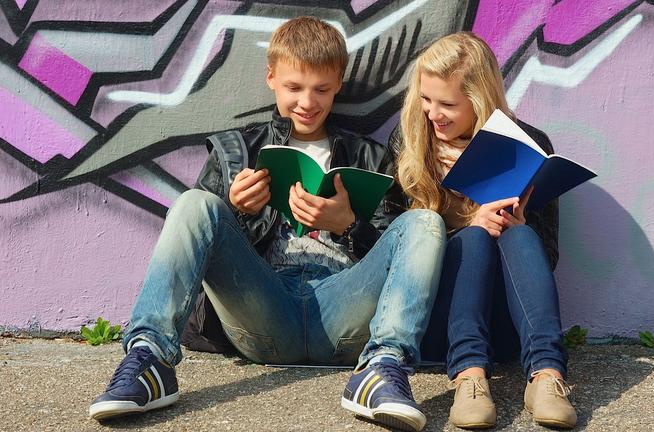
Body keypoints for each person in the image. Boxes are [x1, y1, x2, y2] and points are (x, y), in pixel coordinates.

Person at [88, 17, 445, 432]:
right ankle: (149, 359)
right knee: (194, 204)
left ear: (339, 84)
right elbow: (203, 247)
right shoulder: (237, 151)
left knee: (424, 222)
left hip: (344, 311)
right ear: (271, 77)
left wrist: (348, 224)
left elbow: (398, 258)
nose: (307, 102)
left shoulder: (371, 156)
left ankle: (384, 367)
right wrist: (237, 209)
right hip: (264, 309)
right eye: (294, 87)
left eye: (322, 89)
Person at [390, 32, 577, 429]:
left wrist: (521, 222)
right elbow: (392, 249)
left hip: (507, 329)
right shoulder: (410, 144)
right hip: (438, 328)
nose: (433, 113)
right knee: (473, 237)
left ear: (479, 100)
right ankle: (469, 379)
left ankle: (547, 375)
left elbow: (550, 257)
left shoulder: (527, 144)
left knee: (519, 235)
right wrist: (464, 223)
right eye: (426, 99)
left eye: (448, 104)